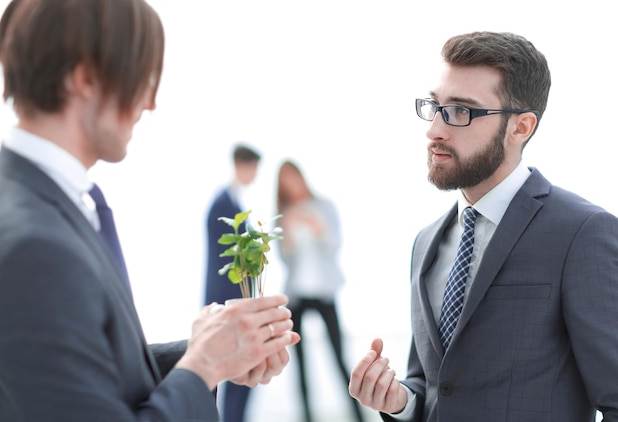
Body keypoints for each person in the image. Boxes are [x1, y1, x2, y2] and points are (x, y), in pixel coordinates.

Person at [0, 1, 299, 421]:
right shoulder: (31, 244)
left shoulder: (43, 204)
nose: (150, 102)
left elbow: (82, 380)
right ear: (86, 78)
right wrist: (202, 367)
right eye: (144, 77)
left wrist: (207, 353)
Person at [348, 31, 618, 422]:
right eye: (435, 106)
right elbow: (432, 383)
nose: (434, 130)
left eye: (461, 111)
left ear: (521, 127)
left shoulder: (582, 233)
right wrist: (400, 402)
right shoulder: (426, 243)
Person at [276, 160, 364, 422]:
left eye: (293, 178)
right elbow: (285, 258)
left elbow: (334, 245)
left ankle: (358, 415)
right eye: (285, 182)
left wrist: (317, 227)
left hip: (325, 292)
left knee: (338, 356)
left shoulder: (324, 207)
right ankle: (306, 417)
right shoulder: (284, 214)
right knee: (300, 365)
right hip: (296, 295)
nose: (291, 185)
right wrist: (289, 234)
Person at [203, 143, 261, 422]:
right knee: (235, 372)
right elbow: (224, 260)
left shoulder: (232, 202)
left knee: (240, 373)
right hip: (225, 300)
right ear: (242, 164)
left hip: (229, 299)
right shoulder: (223, 204)